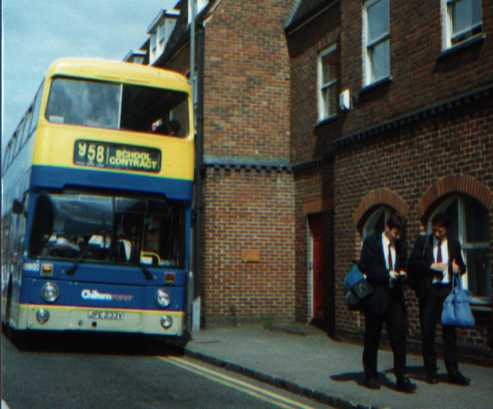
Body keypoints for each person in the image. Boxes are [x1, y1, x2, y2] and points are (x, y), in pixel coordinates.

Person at [408, 213, 470, 385]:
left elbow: (462, 267)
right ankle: (431, 371)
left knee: (449, 333)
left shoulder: (454, 244)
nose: (437, 233)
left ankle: (453, 371)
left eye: (440, 230)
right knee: (427, 332)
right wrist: (430, 267)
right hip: (429, 293)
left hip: (446, 293)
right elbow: (412, 264)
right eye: (434, 229)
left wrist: (458, 268)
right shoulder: (423, 242)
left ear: (447, 230)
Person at [358, 213, 416, 393]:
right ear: (387, 228)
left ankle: (401, 377)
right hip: (376, 297)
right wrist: (386, 274)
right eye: (394, 233)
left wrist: (403, 272)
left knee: (399, 337)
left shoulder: (400, 245)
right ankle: (371, 375)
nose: (397, 237)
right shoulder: (371, 242)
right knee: (372, 337)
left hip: (395, 298)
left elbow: (404, 263)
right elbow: (364, 268)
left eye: (399, 234)